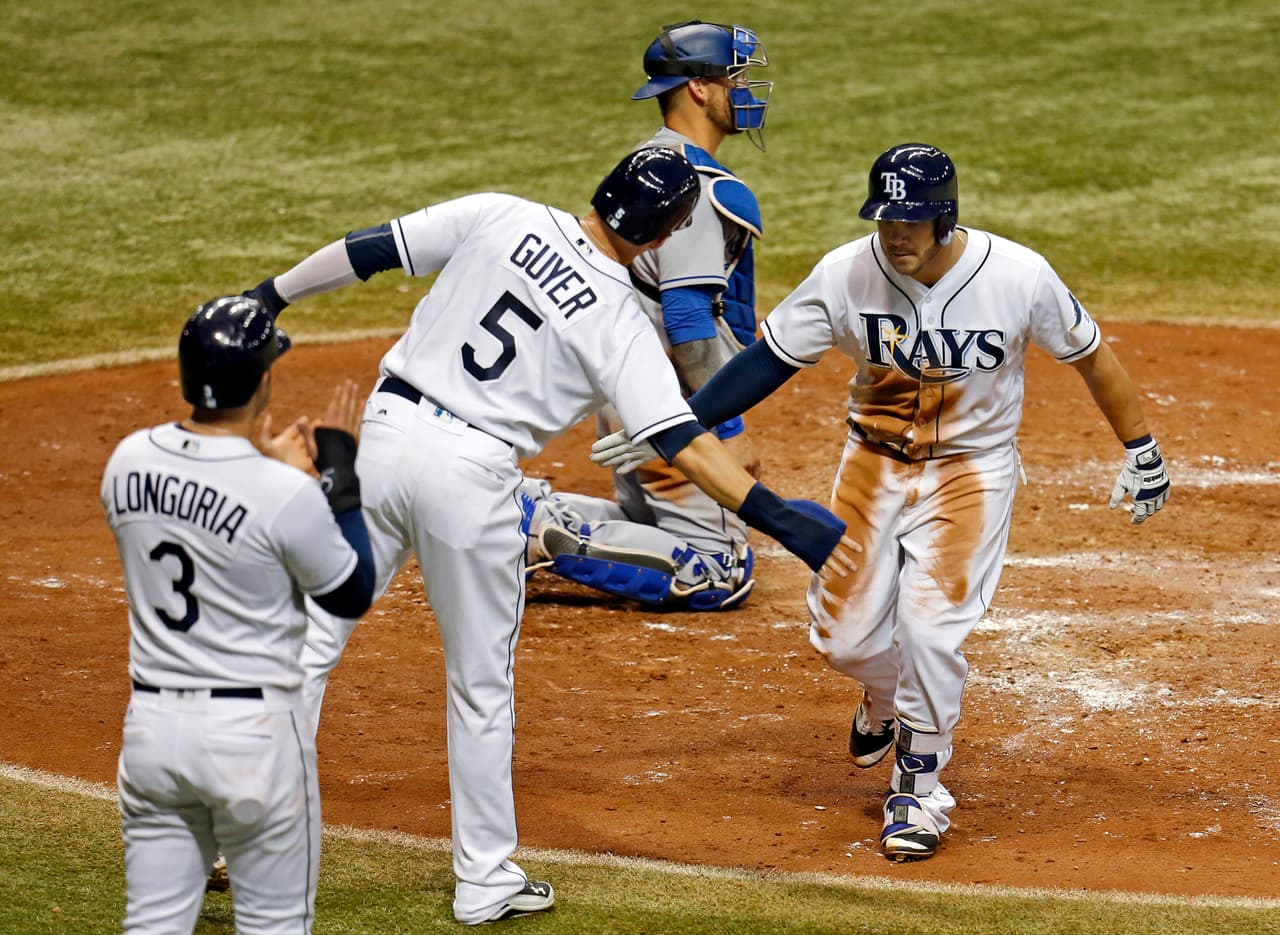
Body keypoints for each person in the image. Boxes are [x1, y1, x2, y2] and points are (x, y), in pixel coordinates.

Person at [240, 147, 856, 924]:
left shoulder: (504, 212)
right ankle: (485, 880)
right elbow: (685, 442)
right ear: (664, 236)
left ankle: (246, 835)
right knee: (479, 686)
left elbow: (372, 249)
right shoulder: (624, 323)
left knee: (311, 644)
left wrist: (271, 293)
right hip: (472, 479)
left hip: (388, 436)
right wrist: (778, 516)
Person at [591, 142, 1172, 862]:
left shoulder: (1019, 276)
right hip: (871, 466)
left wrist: (1140, 447)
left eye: (913, 221)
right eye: (887, 219)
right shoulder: (847, 272)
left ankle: (919, 790)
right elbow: (770, 358)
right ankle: (887, 699)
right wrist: (687, 424)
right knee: (844, 639)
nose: (896, 234)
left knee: (930, 631)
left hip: (971, 473)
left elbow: (1090, 355)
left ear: (945, 217)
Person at [102, 295, 376, 934]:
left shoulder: (127, 461)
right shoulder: (282, 495)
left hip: (151, 733)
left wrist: (261, 465)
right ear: (263, 380)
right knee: (276, 925)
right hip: (252, 739)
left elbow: (206, 505)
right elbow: (350, 590)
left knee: (152, 924)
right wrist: (338, 476)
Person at [520, 20, 774, 612]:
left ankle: (509, 509)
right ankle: (523, 525)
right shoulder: (700, 188)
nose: (746, 92)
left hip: (622, 379)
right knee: (718, 571)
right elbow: (688, 320)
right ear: (699, 90)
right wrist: (726, 431)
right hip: (671, 399)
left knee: (648, 522)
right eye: (735, 78)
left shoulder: (644, 164)